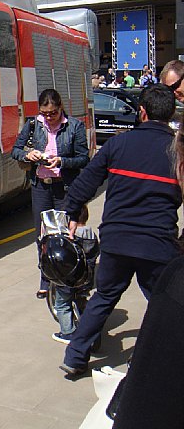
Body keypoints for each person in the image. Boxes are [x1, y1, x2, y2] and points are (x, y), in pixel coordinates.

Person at [60, 83, 182, 377]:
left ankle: (76, 356)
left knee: (104, 296)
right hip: (158, 244)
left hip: (117, 241)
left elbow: (85, 182)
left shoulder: (118, 145)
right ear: (171, 114)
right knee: (163, 303)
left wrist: (72, 213)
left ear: (141, 112)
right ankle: (168, 361)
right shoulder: (177, 152)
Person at [111, 121, 184, 428]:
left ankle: (76, 351)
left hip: (128, 244)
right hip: (150, 246)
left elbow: (143, 411)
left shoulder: (177, 287)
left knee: (104, 296)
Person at [12, 88, 89, 299]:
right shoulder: (33, 125)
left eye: (52, 113)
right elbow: (15, 150)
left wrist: (62, 161)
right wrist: (29, 154)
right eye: (45, 113)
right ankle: (46, 277)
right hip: (41, 186)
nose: (49, 117)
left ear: (60, 108)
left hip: (64, 186)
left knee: (66, 232)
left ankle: (68, 276)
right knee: (43, 234)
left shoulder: (74, 126)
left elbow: (84, 158)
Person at [52, 205, 100, 344]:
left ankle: (67, 332)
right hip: (86, 278)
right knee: (82, 300)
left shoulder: (70, 237)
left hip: (70, 281)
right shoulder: (92, 235)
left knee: (61, 304)